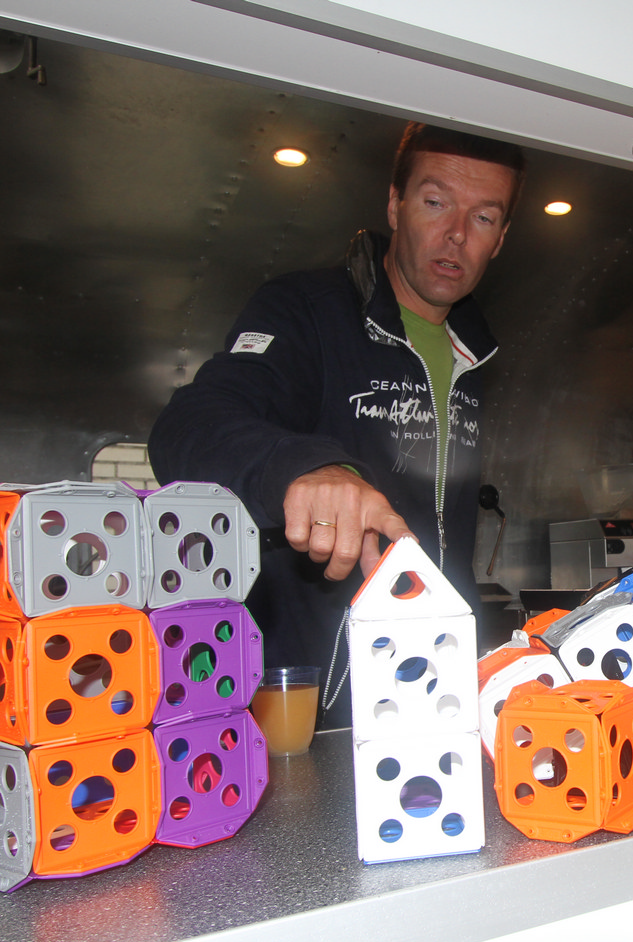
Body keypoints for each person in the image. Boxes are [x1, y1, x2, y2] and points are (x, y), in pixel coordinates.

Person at [149, 122, 526, 727]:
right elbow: (189, 424)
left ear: (501, 239)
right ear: (395, 205)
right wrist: (306, 469)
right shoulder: (306, 311)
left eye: (483, 217)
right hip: (314, 707)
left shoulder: (472, 353)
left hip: (432, 695)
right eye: (435, 202)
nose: (456, 233)